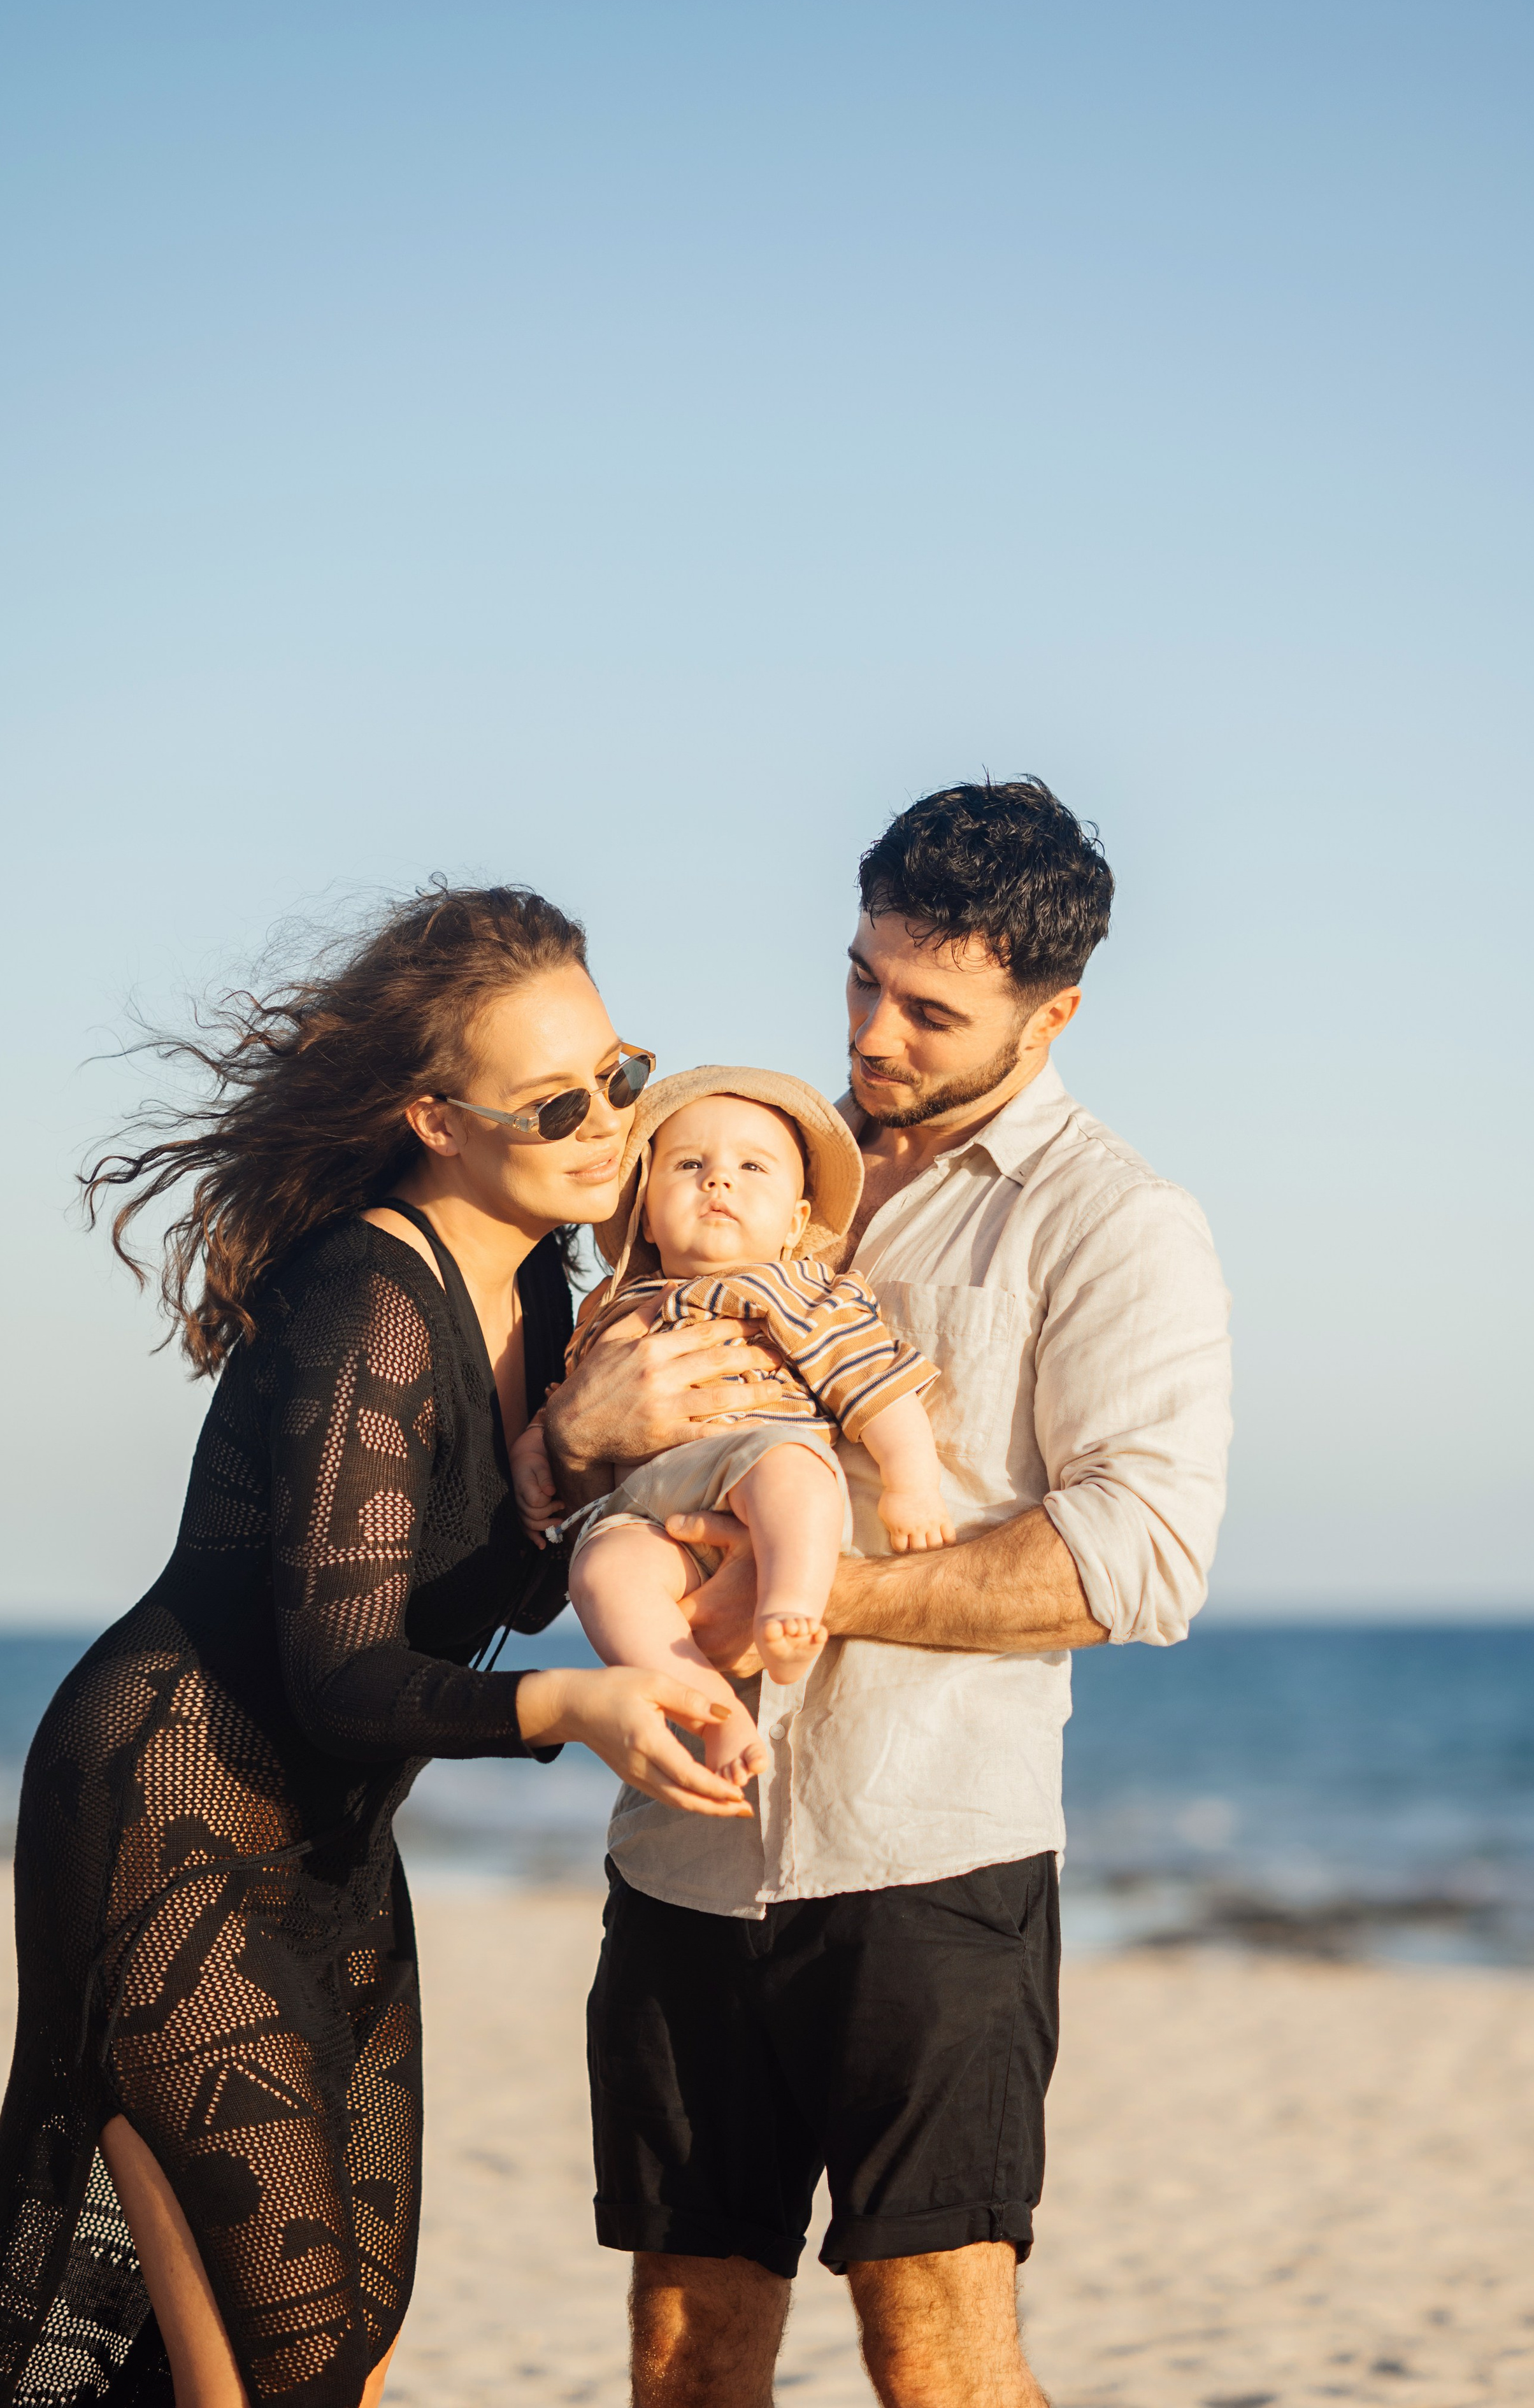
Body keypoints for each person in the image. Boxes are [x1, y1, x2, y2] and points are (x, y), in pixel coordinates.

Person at [0, 885, 754, 2408]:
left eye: (620, 1072)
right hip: (163, 1809)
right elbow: (346, 1668)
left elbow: (461, 1596)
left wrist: (566, 1458)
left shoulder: (543, 1286)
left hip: (324, 1836)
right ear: (436, 1117)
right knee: (280, 2352)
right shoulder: (369, 1295)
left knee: (343, 2327)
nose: (606, 1120)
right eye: (555, 1099)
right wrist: (579, 1701)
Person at [543, 781, 1234, 2408]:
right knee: (682, 2352)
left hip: (930, 1860)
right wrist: (582, 1445)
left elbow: (1138, 1555)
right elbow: (568, 1497)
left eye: (931, 1007)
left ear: (1051, 1011)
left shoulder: (1113, 1223)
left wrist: (805, 1591)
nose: (875, 1029)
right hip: (683, 1859)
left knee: (935, 2356)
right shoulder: (736, 1172)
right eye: (861, 976)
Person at [512, 1071, 949, 1782]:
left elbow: (871, 1378)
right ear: (647, 1218)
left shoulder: (793, 1288)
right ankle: (716, 1714)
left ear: (794, 1220)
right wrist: (539, 1446)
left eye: (751, 1167)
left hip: (752, 1455)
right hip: (646, 1506)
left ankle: (789, 1606)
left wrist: (911, 1479)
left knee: (795, 1469)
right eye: (689, 1165)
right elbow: (568, 1398)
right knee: (601, 1570)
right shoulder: (609, 1307)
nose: (719, 1181)